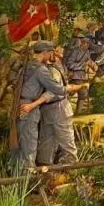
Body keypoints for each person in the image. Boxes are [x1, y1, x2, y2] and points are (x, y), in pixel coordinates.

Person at [15, 41, 68, 170]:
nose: (50, 56)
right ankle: (27, 175)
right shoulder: (40, 69)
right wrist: (70, 88)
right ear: (44, 52)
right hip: (29, 107)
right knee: (30, 143)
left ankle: (19, 173)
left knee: (22, 143)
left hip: (21, 104)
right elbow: (58, 89)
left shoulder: (27, 65)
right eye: (50, 53)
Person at [36, 44, 85, 165]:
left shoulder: (51, 69)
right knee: (48, 142)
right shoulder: (48, 69)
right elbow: (54, 90)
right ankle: (46, 169)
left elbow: (55, 91)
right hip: (50, 110)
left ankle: (70, 168)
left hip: (58, 109)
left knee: (64, 141)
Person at [63, 29, 92, 114]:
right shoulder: (75, 51)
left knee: (79, 94)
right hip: (75, 76)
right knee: (80, 93)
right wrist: (83, 64)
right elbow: (70, 64)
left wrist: (91, 65)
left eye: (88, 44)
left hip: (83, 76)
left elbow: (88, 61)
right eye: (87, 43)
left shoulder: (87, 52)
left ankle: (77, 112)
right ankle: (66, 111)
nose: (88, 45)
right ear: (83, 43)